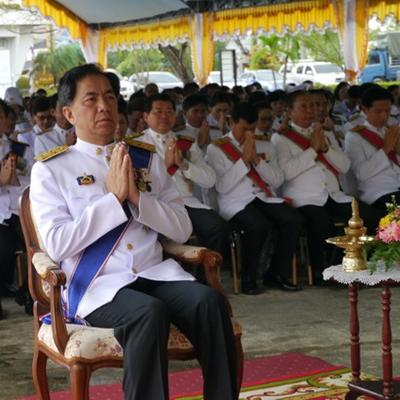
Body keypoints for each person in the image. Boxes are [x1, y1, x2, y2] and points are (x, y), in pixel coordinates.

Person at [29, 64, 237, 400]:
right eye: (91, 99)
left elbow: (182, 229)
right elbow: (56, 244)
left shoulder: (145, 159)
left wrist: (138, 199)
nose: (104, 107)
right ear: (68, 113)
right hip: (98, 285)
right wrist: (113, 200)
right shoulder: (51, 169)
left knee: (209, 302)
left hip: (156, 273)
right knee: (148, 313)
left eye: (110, 98)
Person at [272, 90, 382, 283]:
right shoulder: (280, 138)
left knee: (370, 217)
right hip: (304, 197)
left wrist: (325, 148)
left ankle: (356, 264)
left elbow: (344, 166)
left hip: (334, 194)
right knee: (321, 223)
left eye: (312, 106)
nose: (310, 110)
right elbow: (286, 173)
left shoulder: (326, 133)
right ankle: (321, 272)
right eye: (303, 106)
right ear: (289, 111)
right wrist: (312, 150)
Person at [207, 102, 304, 294]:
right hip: (235, 201)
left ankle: (276, 273)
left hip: (262, 197)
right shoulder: (216, 148)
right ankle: (248, 278)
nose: (249, 133)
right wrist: (244, 160)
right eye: (244, 129)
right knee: (257, 225)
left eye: (252, 129)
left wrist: (257, 161)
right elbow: (222, 187)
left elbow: (277, 180)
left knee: (293, 220)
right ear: (232, 123)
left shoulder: (265, 144)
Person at [138, 93, 232, 263]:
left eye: (169, 111)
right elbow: (141, 186)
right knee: (156, 235)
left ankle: (205, 276)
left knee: (218, 228)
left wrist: (184, 165)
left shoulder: (186, 143)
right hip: (158, 204)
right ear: (146, 116)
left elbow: (210, 179)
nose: (164, 116)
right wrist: (166, 166)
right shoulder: (137, 145)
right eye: (158, 112)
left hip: (187, 202)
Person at [345, 86, 400, 210]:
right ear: (365, 109)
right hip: (379, 191)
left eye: (388, 111)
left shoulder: (391, 130)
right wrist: (385, 149)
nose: (384, 116)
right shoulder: (354, 136)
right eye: (378, 111)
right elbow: (361, 174)